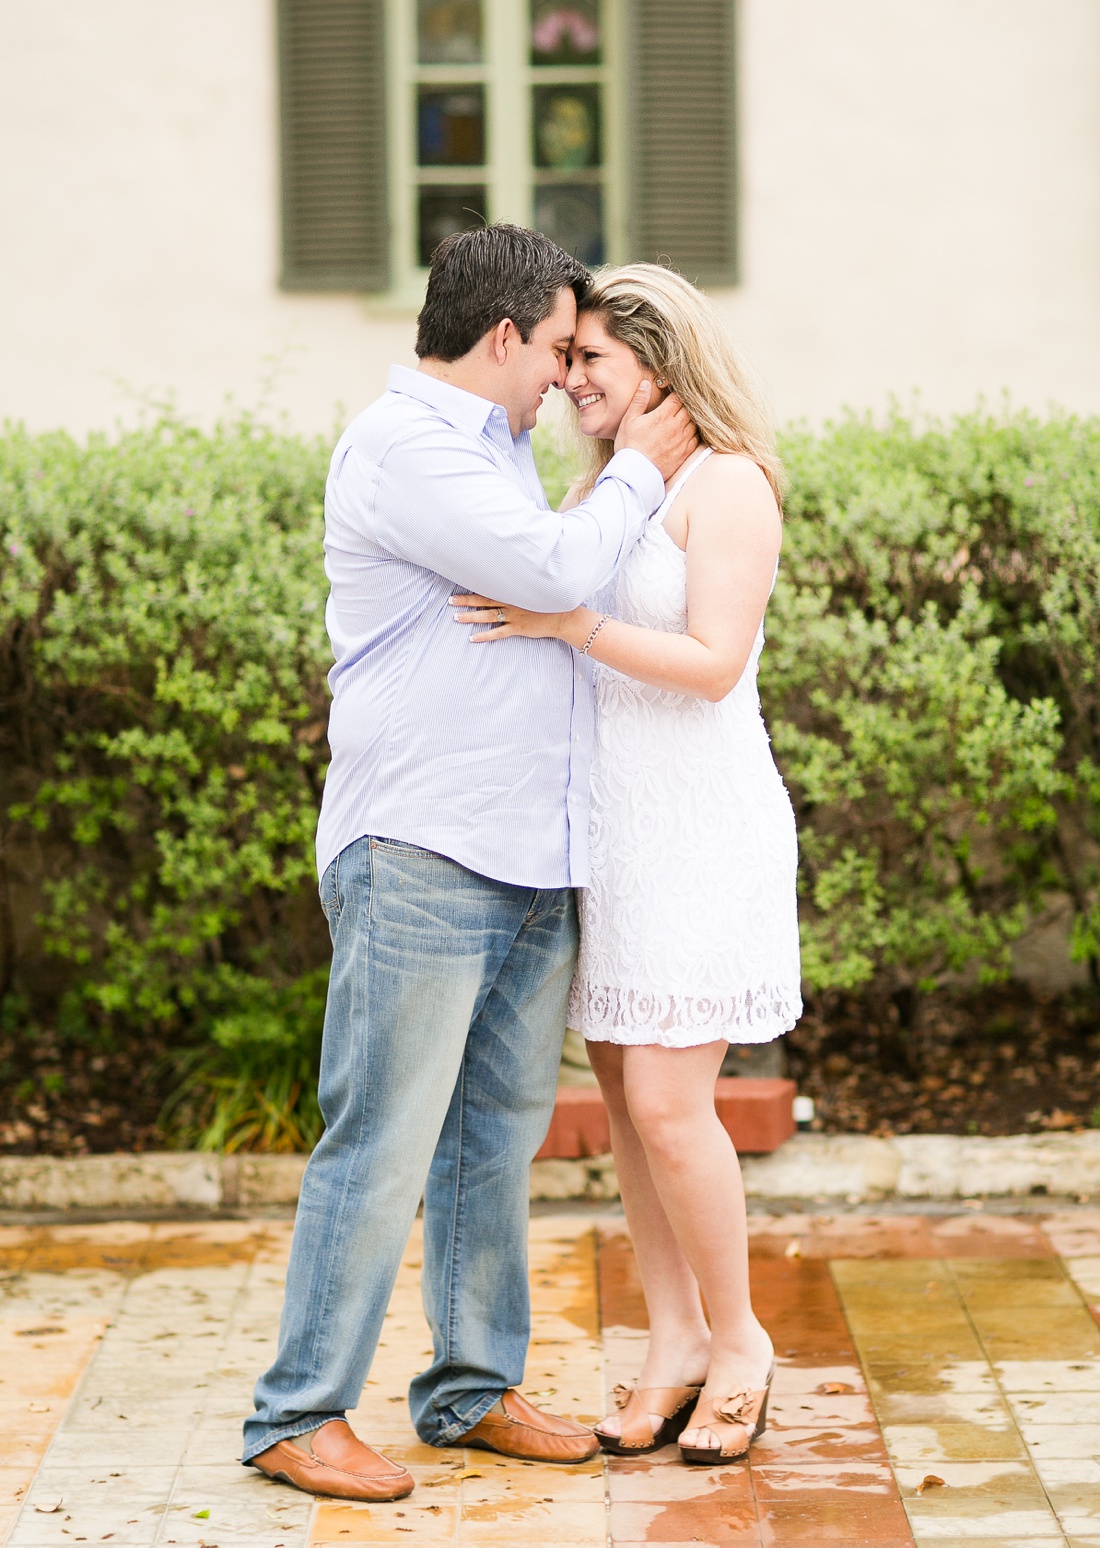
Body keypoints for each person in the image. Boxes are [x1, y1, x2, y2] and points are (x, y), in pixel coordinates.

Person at [242, 228, 698, 1501]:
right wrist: (642, 474)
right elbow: (552, 570)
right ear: (501, 336)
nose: (566, 376)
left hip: (528, 855)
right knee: (382, 1137)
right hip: (425, 852)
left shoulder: (494, 450)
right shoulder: (406, 448)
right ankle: (297, 1413)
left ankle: (470, 1388)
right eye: (558, 347)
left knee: (489, 1143)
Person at [451, 263, 802, 1465]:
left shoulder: (729, 485)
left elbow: (711, 664)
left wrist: (570, 624)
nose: (565, 377)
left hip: (699, 830)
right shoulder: (606, 485)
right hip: (607, 836)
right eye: (565, 356)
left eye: (590, 358)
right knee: (625, 1110)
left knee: (667, 1101)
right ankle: (671, 1343)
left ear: (657, 362)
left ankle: (742, 1339)